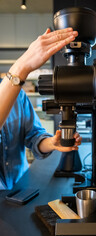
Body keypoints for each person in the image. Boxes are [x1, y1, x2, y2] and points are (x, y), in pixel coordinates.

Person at [0, 28, 81, 190]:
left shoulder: (18, 95)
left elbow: (34, 137)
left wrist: (52, 143)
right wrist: (21, 66)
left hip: (19, 187)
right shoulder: (15, 81)